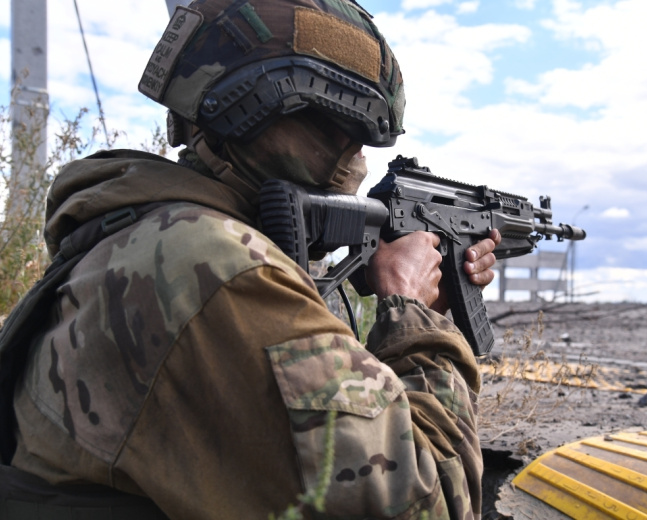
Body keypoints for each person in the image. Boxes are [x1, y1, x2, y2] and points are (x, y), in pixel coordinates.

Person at [3, 0, 501, 518]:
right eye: (347, 138)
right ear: (268, 111)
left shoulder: (146, 230)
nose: (358, 162)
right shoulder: (218, 267)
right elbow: (430, 504)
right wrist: (414, 312)